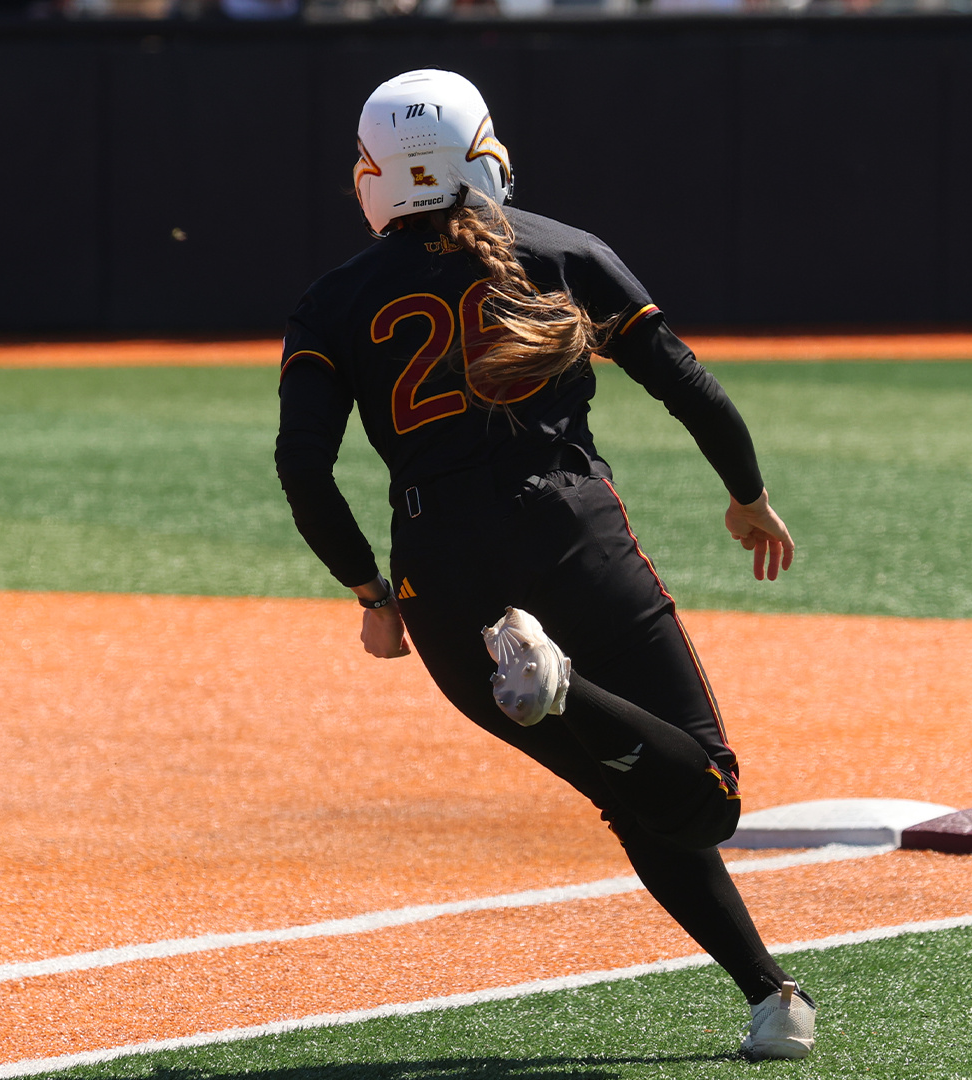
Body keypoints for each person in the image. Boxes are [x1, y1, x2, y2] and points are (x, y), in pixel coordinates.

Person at [275, 69, 814, 1060]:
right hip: (568, 532)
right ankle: (559, 692)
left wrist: (370, 590)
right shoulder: (564, 253)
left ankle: (772, 997)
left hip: (440, 571)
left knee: (638, 787)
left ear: (371, 176)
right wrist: (745, 493)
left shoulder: (333, 299)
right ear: (486, 156)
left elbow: (302, 469)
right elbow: (689, 386)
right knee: (709, 794)